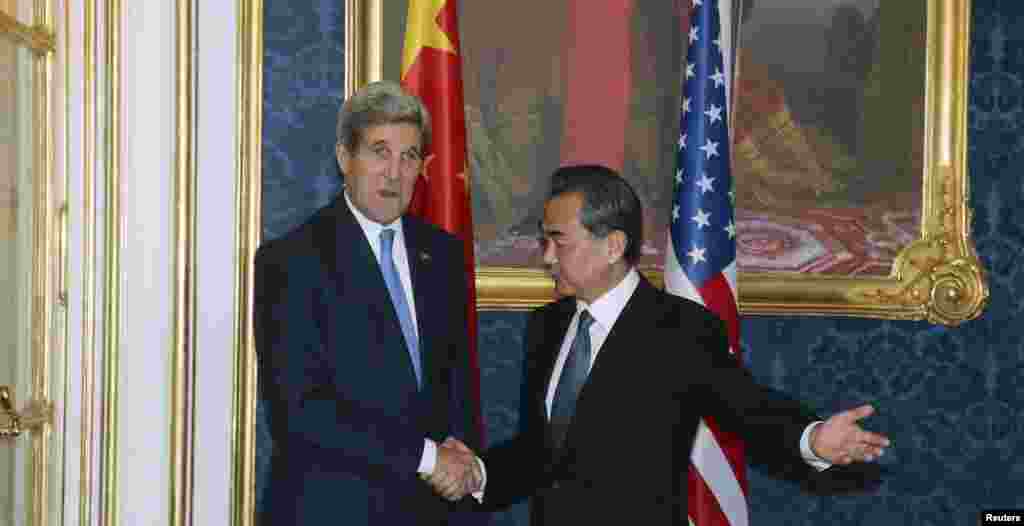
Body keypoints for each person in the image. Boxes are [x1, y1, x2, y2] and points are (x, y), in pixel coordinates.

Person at [425, 165, 890, 525]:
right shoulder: (546, 326)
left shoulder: (681, 330)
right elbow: (540, 451)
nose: (546, 256)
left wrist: (811, 438)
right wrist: (479, 473)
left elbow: (749, 409)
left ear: (612, 246)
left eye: (558, 242)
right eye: (543, 240)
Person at [255, 80, 481, 525]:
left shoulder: (444, 255)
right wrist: (426, 457)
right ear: (345, 158)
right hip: (332, 510)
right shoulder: (292, 261)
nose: (394, 173)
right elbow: (300, 414)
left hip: (432, 511)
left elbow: (459, 388)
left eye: (409, 156)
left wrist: (459, 461)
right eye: (380, 152)